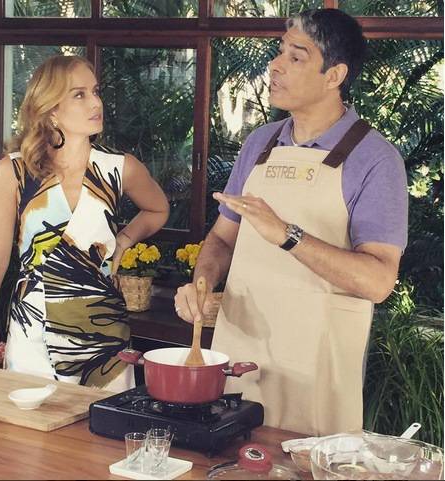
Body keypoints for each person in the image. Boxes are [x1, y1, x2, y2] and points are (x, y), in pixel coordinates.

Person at [174, 9, 408, 435]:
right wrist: (202, 285)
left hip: (315, 370)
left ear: (334, 75)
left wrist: (287, 235)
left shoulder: (376, 159)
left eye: (296, 57)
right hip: (241, 355)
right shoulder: (260, 144)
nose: (275, 65)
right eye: (279, 52)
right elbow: (222, 239)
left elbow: (378, 281)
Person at [0, 55, 169, 391]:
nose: (95, 103)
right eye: (79, 94)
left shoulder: (120, 168)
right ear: (51, 110)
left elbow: (157, 209)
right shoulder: (14, 172)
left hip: (104, 337)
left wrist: (124, 239)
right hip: (33, 333)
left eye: (95, 91)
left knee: (104, 424)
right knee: (31, 425)